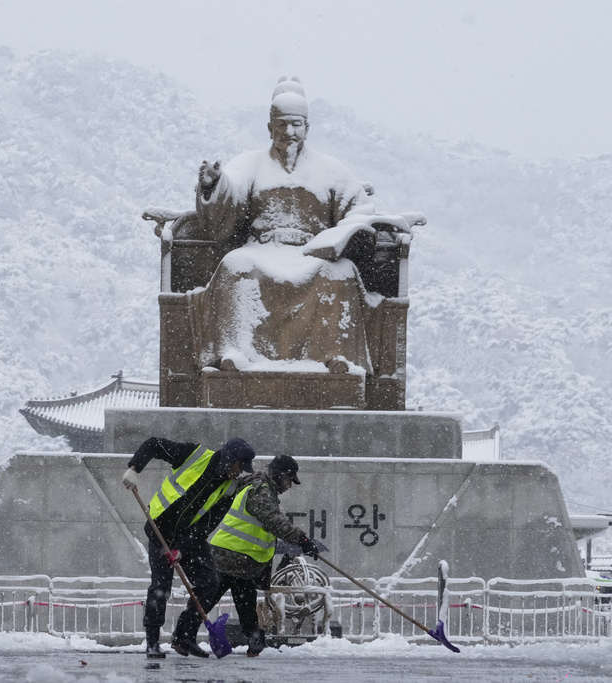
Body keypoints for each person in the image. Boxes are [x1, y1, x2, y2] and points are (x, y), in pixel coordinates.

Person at [185, 77, 420, 375]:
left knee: (341, 272)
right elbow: (228, 197)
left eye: (296, 124)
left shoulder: (332, 170)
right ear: (270, 128)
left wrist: (345, 233)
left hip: (312, 254)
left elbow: (359, 209)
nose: (289, 132)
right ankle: (236, 353)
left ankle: (336, 357)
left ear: (307, 128)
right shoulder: (250, 164)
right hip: (262, 250)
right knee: (235, 265)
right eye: (281, 124)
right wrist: (213, 185)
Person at [170, 454, 320, 658]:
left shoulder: (258, 487)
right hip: (229, 556)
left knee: (244, 599)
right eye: (288, 480)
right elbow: (274, 521)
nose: (289, 486)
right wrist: (302, 540)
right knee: (209, 598)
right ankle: (184, 637)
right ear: (279, 474)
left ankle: (253, 640)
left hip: (241, 560)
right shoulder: (261, 491)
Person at [122, 436, 256, 659]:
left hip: (189, 537)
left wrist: (182, 549)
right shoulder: (195, 455)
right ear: (229, 459)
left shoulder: (230, 487)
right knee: (160, 587)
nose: (240, 472)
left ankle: (184, 636)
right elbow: (154, 444)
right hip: (160, 530)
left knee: (209, 582)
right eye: (240, 466)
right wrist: (135, 468)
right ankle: (153, 642)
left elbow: (208, 523)